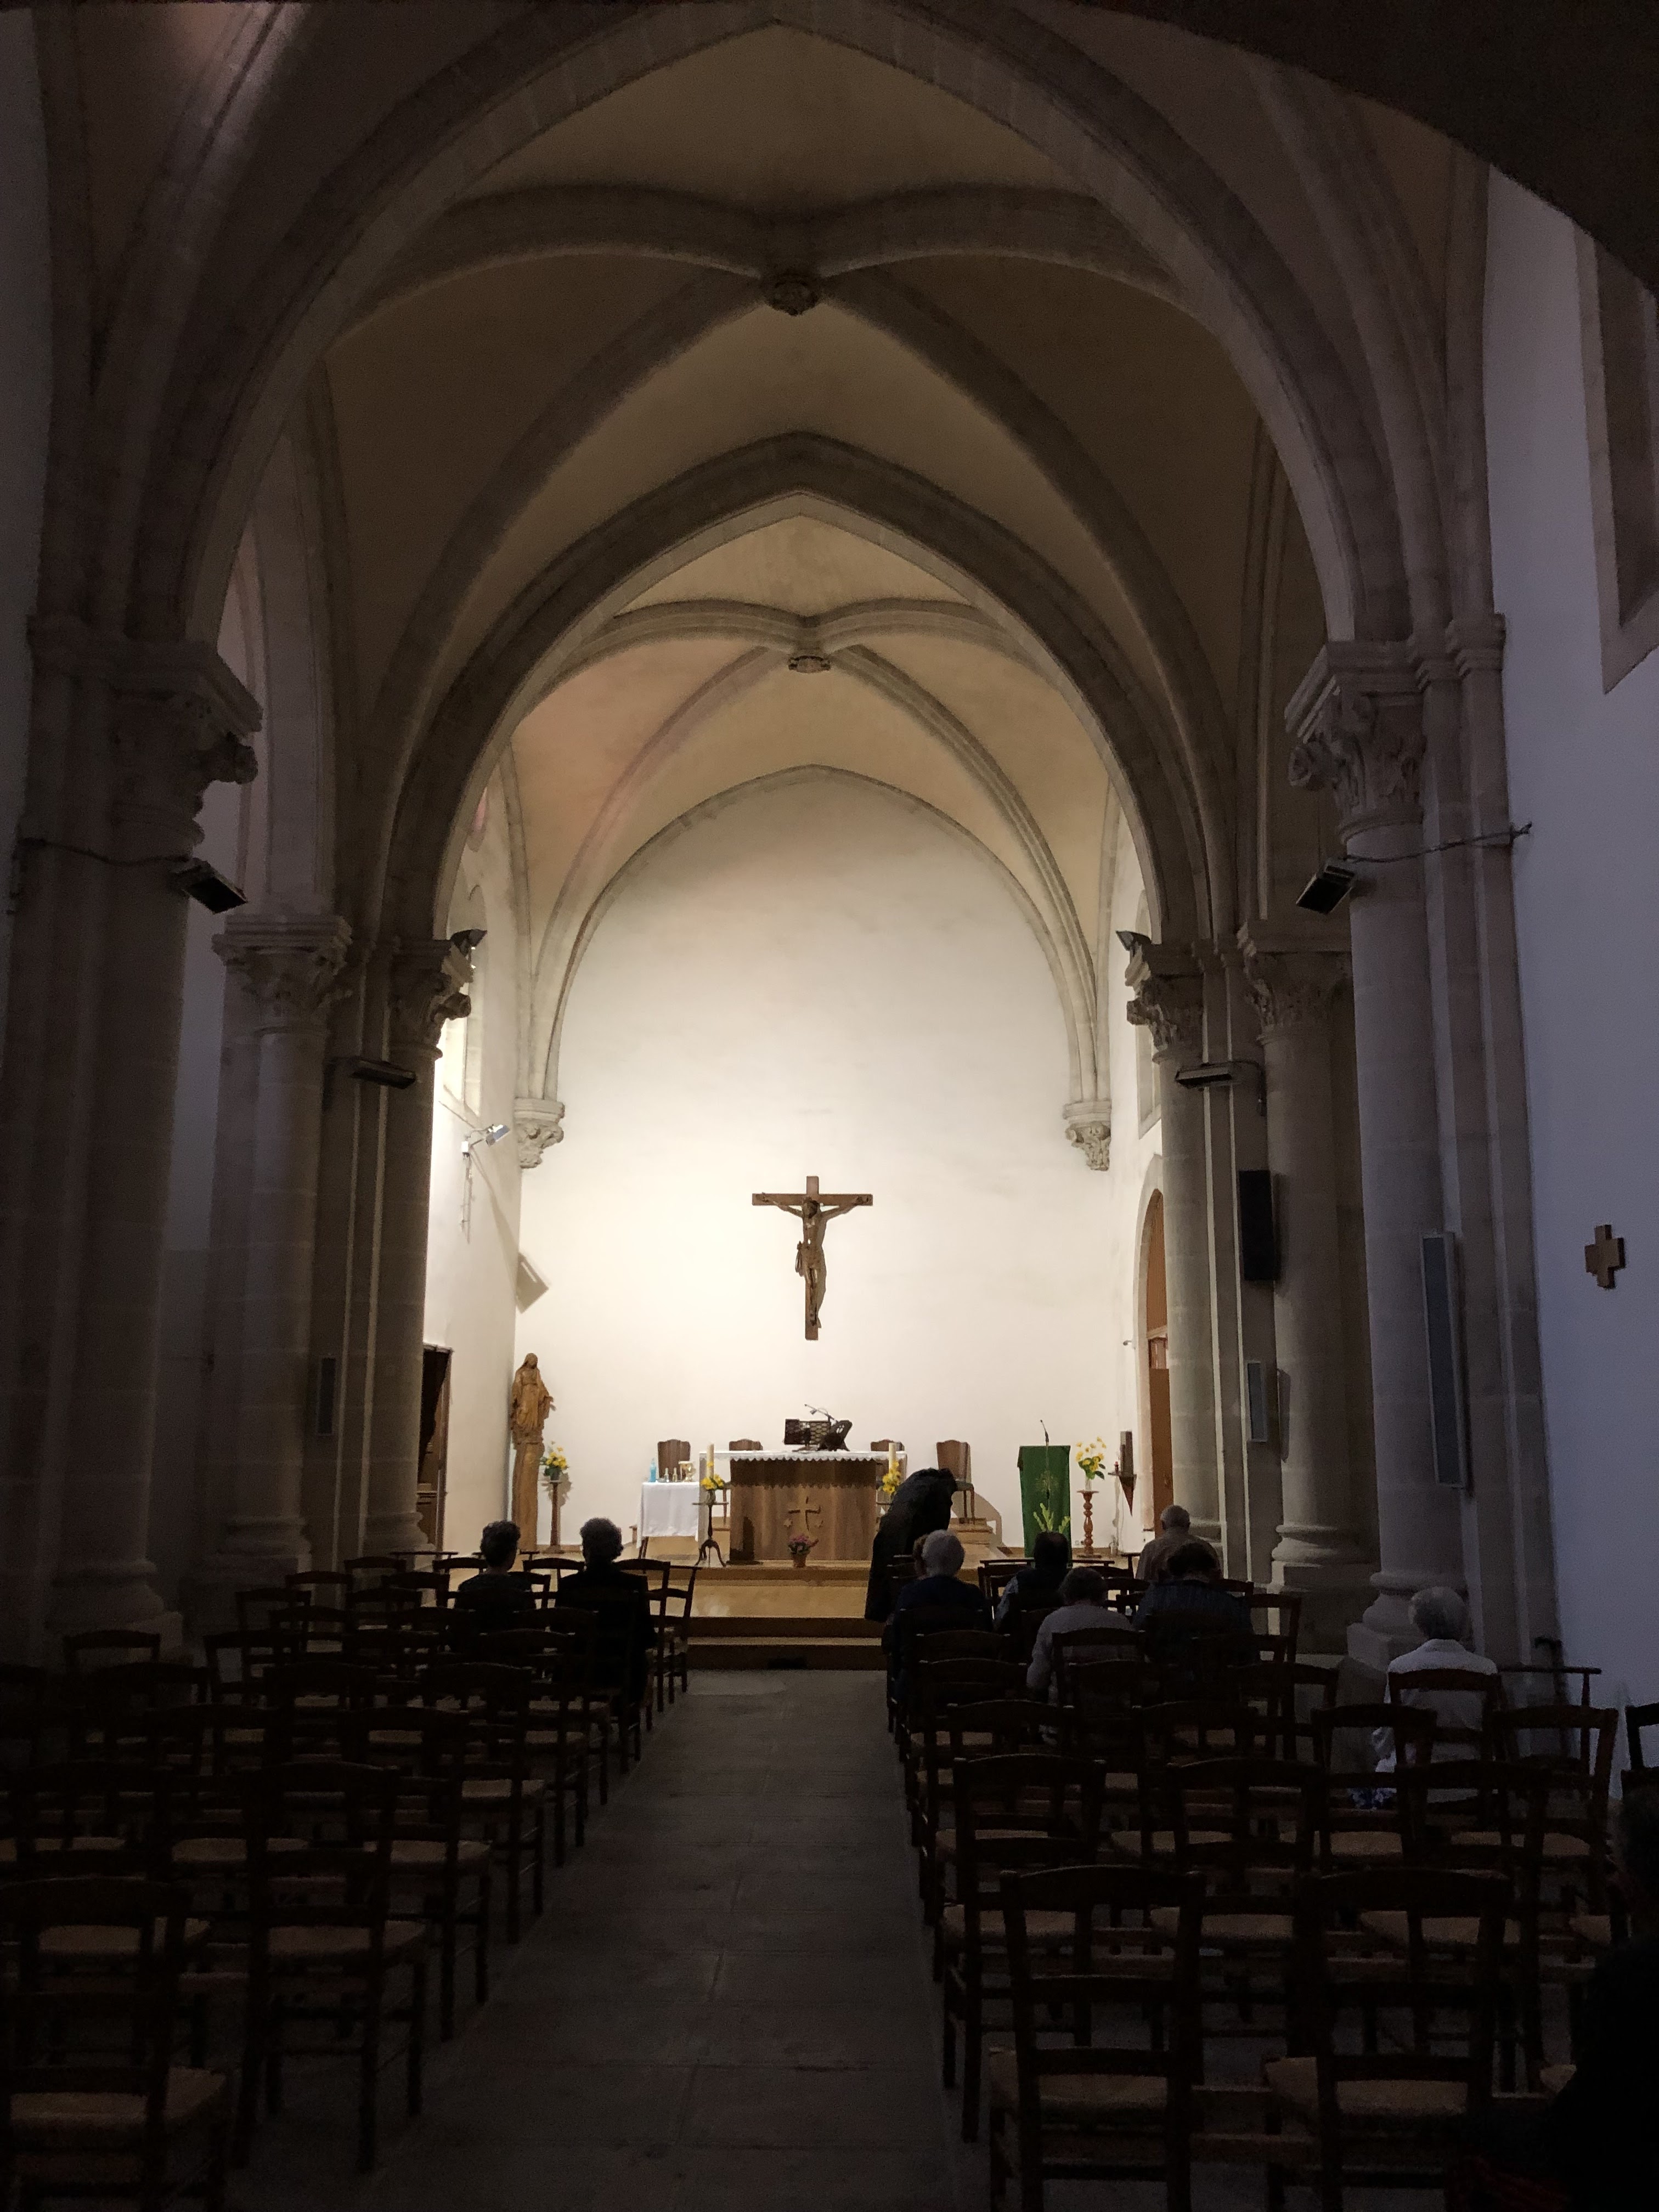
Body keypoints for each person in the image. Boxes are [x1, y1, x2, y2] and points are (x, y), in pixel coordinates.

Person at [1447, 1788, 1659, 2210]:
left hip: (1626, 2175)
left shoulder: (1628, 1975)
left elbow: (1591, 2118)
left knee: (1475, 2150)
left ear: (1632, 1884)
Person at [1373, 1587, 1498, 1769]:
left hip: (1416, 1771)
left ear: (1419, 1624)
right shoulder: (1486, 1669)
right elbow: (1492, 1733)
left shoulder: (1401, 1667)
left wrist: (1381, 1748)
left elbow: (1388, 1735)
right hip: (1470, 1771)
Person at [553, 1515, 656, 1705]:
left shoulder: (569, 1585)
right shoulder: (633, 1585)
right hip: (622, 1672)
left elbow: (557, 1631)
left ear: (586, 1550)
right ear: (616, 1549)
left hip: (578, 1671)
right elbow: (647, 1636)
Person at [884, 1528, 989, 1699]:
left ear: (926, 1559)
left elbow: (897, 1643)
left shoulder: (910, 1593)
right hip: (965, 1682)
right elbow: (986, 1639)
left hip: (917, 1683)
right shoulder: (974, 1596)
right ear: (959, 1561)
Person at [864, 1466, 956, 1621]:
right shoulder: (940, 1489)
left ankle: (881, 1616)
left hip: (888, 1531)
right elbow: (940, 1529)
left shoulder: (916, 1481)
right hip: (909, 1532)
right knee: (910, 1579)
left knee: (885, 1576)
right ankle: (911, 1615)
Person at [1026, 1566, 1124, 1696]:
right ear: (1102, 1593)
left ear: (1066, 1592)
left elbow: (1035, 1681)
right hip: (1114, 1704)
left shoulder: (1053, 1622)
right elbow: (1138, 1670)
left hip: (1065, 1704)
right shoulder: (1119, 1622)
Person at [1134, 1541, 1252, 1639]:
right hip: (1215, 1660)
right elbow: (1248, 1646)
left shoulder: (1155, 1598)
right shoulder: (1229, 1605)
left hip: (1163, 1660)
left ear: (1172, 1570)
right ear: (1211, 1571)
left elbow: (1138, 1634)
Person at [450, 1519, 539, 1643]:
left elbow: (457, 1634)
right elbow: (533, 1633)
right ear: (512, 1554)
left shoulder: (467, 1587)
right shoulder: (522, 1588)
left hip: (475, 1652)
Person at [992, 1529, 1070, 1627]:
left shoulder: (1019, 1581)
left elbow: (1001, 1618)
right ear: (1067, 1557)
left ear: (1036, 1556)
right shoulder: (1077, 1581)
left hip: (1022, 1636)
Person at [1136, 1504, 1218, 1585]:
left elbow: (1141, 1583)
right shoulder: (1205, 1547)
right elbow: (1218, 1582)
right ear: (1188, 1525)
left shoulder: (1151, 1549)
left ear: (1163, 1525)